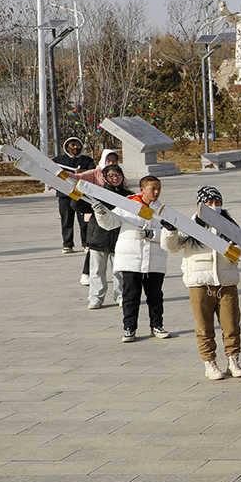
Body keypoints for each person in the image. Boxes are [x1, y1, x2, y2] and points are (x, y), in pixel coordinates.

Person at [162, 186, 241, 381]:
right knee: (204, 326)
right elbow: (171, 247)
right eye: (209, 203)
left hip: (226, 282)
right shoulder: (190, 225)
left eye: (217, 203)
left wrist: (235, 250)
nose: (214, 206)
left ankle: (233, 359)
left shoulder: (230, 226)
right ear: (201, 205)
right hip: (200, 283)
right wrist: (170, 231)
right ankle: (210, 362)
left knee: (231, 324)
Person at [95, 174, 169, 343]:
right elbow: (110, 223)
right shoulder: (128, 205)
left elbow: (170, 233)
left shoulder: (163, 210)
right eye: (153, 189)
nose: (156, 192)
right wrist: (101, 213)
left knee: (155, 296)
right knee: (131, 296)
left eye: (159, 189)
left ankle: (157, 325)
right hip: (131, 260)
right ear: (142, 189)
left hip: (154, 260)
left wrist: (152, 234)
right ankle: (129, 328)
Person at [81, 162, 128, 310]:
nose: (115, 178)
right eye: (111, 175)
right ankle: (96, 298)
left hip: (120, 238)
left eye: (117, 175)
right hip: (98, 237)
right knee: (96, 271)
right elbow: (78, 206)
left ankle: (121, 296)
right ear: (105, 178)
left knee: (119, 271)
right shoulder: (97, 193)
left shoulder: (129, 195)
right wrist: (76, 196)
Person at [54, 135, 94, 253]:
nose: (76, 147)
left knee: (84, 221)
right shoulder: (58, 160)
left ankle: (86, 243)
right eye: (73, 145)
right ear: (67, 146)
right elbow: (50, 172)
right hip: (64, 194)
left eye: (77, 144)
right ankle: (67, 244)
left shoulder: (87, 160)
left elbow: (93, 173)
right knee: (66, 220)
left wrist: (83, 173)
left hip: (81, 195)